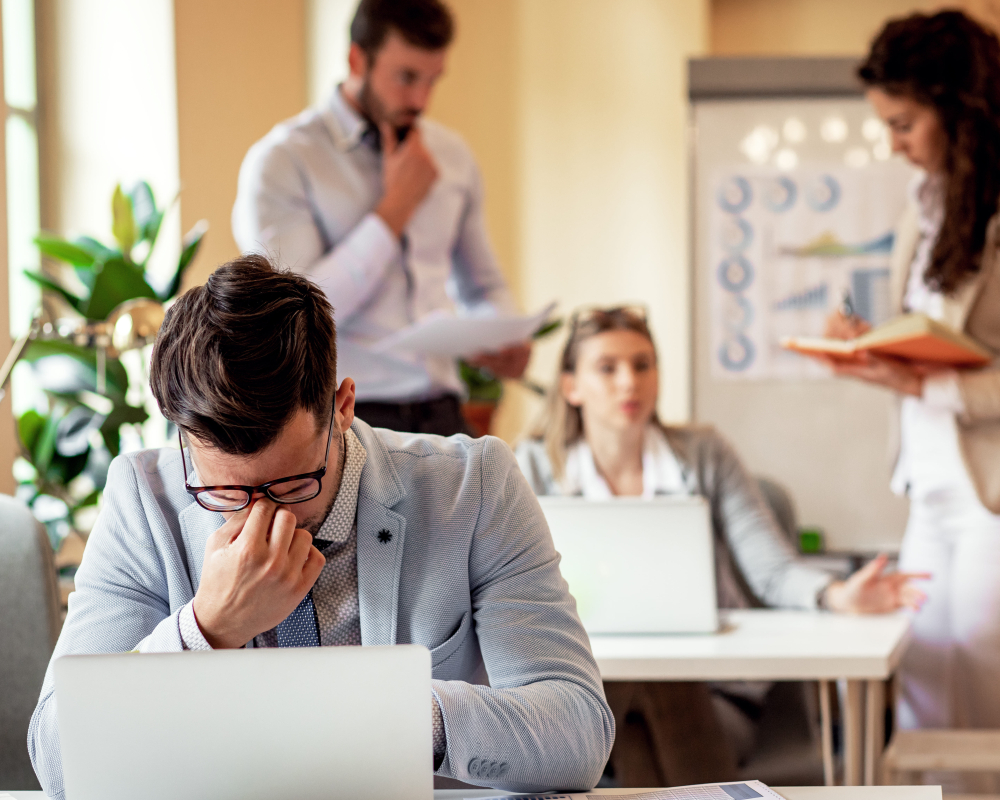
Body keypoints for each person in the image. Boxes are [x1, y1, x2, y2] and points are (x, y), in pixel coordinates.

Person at [28, 256, 614, 798]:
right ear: (184, 439)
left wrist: (399, 713)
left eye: (289, 485)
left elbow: (579, 732)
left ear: (342, 406)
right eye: (224, 492)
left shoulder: (474, 486)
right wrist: (204, 632)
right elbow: (57, 762)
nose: (263, 517)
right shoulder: (141, 501)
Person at [515, 306, 926, 787]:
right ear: (571, 386)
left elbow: (770, 568)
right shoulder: (533, 467)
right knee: (613, 706)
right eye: (607, 368)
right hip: (592, 691)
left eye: (643, 364)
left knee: (627, 708)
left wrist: (835, 596)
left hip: (715, 695)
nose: (629, 382)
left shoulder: (705, 453)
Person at [823, 10, 1000, 756]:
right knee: (924, 696)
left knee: (987, 701)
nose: (893, 144)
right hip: (928, 486)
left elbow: (948, 371)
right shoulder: (920, 211)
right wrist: (872, 352)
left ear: (958, 109)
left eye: (902, 123)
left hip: (990, 494)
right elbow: (924, 345)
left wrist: (919, 383)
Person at [232, 0, 529, 437]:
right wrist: (395, 210)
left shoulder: (453, 156)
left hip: (445, 415)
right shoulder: (283, 161)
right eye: (407, 77)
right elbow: (293, 317)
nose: (421, 100)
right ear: (357, 59)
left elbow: (482, 286)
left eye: (433, 80)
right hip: (343, 416)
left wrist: (504, 335)